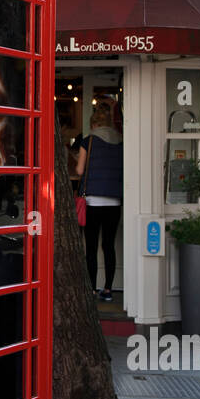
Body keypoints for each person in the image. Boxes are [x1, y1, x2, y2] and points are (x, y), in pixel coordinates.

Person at [75, 100, 124, 302]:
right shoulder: (121, 141)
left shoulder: (89, 141)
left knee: (92, 246)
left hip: (93, 201)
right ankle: (108, 290)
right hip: (114, 202)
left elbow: (79, 170)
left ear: (94, 123)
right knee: (109, 246)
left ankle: (92, 289)